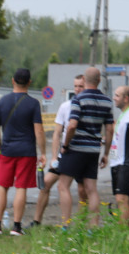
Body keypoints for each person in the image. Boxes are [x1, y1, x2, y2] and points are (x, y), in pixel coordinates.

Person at [0, 68, 44, 235]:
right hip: (27, 151)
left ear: (13, 81)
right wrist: (42, 153)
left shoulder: (2, 102)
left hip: (7, 150)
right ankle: (17, 227)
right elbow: (39, 131)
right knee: (21, 188)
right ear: (29, 83)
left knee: (2, 186)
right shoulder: (33, 103)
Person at [56, 67, 114, 228]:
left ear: (84, 80)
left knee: (63, 186)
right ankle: (93, 227)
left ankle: (65, 225)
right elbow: (109, 129)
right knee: (91, 189)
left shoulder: (78, 99)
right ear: (99, 81)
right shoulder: (107, 101)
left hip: (75, 148)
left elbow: (72, 125)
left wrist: (65, 145)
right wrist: (106, 153)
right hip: (93, 150)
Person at [31, 75, 88, 229]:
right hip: (65, 154)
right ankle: (37, 221)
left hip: (82, 154)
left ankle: (79, 225)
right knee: (46, 183)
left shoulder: (88, 106)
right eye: (75, 86)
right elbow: (57, 133)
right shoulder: (65, 106)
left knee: (83, 190)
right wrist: (54, 156)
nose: (77, 89)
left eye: (81, 86)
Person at [109, 85, 129, 223]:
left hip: (126, 161)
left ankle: (125, 232)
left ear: (126, 98)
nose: (114, 98)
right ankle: (124, 229)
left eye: (117, 95)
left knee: (122, 197)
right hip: (116, 161)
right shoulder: (123, 114)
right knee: (119, 197)